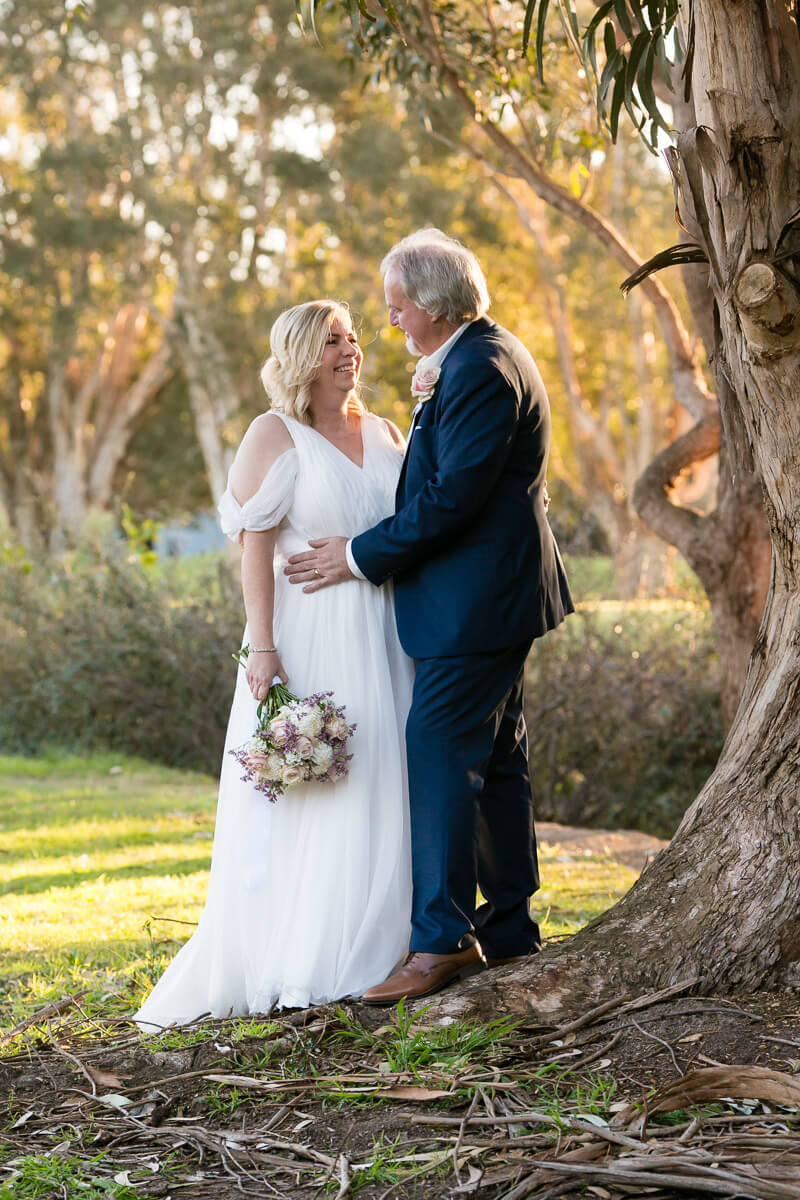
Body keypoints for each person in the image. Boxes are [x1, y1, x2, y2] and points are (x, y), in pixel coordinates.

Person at [285, 230, 573, 1004]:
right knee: (499, 763)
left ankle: (442, 940)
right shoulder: (477, 356)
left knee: (441, 759)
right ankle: (509, 930)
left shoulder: (480, 368)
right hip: (489, 599)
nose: (392, 322)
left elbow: (453, 499)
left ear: (433, 304)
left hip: (474, 603)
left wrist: (356, 554)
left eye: (397, 307)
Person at [136, 300, 414, 1027]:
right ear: (299, 357)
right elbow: (253, 546)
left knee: (384, 776)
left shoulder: (388, 433)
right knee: (318, 785)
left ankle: (385, 944)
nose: (349, 351)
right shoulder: (273, 432)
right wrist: (262, 646)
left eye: (351, 338)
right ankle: (308, 951)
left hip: (388, 630)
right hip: (311, 633)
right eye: (331, 342)